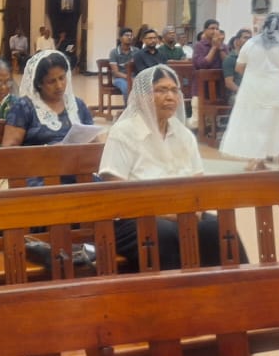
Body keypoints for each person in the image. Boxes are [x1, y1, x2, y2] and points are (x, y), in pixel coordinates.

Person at [101, 65, 246, 270]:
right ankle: (174, 297)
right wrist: (167, 212)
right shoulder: (124, 133)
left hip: (181, 212)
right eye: (161, 90)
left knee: (218, 227)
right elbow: (116, 191)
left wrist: (194, 208)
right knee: (164, 233)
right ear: (143, 96)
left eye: (174, 90)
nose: (169, 96)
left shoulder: (183, 134)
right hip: (132, 217)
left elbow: (198, 181)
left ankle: (231, 292)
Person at [219, 13, 279, 171]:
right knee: (269, 124)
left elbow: (239, 68)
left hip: (252, 87)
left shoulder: (251, 43)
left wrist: (255, 74)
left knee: (252, 123)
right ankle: (260, 159)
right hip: (274, 88)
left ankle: (255, 159)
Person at [2, 49, 94, 147]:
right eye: (51, 81)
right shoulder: (24, 108)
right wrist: (49, 151)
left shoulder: (77, 105)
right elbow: (9, 149)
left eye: (62, 78)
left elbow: (94, 142)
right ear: (39, 83)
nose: (59, 85)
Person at [109, 27, 138, 97]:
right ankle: (128, 108)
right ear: (120, 38)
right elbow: (116, 73)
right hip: (120, 79)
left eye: (131, 35)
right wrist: (129, 78)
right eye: (126, 35)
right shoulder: (114, 52)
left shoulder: (136, 51)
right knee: (126, 88)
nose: (129, 37)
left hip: (134, 77)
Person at [222, 29, 250, 96]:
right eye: (245, 38)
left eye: (250, 38)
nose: (248, 41)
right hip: (235, 95)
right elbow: (229, 83)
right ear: (237, 41)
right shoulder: (230, 59)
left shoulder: (250, 58)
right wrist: (244, 94)